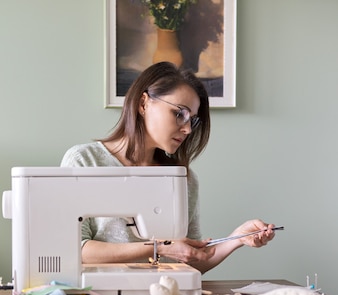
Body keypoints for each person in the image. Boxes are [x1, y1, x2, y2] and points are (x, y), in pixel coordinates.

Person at [61, 62, 275, 274]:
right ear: (143, 104)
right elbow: (73, 249)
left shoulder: (184, 179)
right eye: (179, 113)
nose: (188, 129)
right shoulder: (84, 161)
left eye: (193, 120)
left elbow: (190, 261)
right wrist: (160, 247)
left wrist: (237, 238)